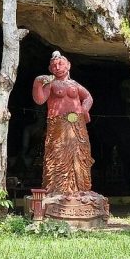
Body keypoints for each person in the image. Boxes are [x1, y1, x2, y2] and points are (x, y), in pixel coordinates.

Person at [32, 51, 94, 196]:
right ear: (50, 69)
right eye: (54, 66)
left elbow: (88, 97)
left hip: (77, 123)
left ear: (68, 65)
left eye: (61, 64)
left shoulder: (75, 84)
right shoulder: (51, 84)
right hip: (58, 122)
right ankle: (58, 189)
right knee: (58, 154)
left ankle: (81, 188)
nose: (57, 67)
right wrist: (37, 84)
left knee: (80, 154)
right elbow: (40, 100)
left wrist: (84, 110)